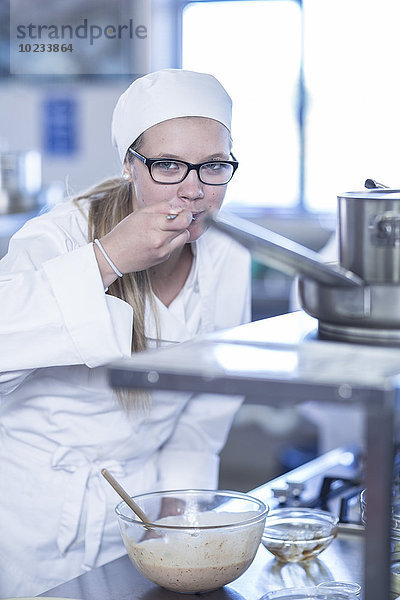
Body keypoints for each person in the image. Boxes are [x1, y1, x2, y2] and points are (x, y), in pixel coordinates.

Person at [0, 69, 251, 596]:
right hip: (29, 521)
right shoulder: (59, 236)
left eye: (213, 167)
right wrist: (108, 259)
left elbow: (203, 417)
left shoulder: (228, 257)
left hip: (138, 515)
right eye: (167, 165)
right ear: (129, 166)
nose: (193, 188)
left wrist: (178, 521)